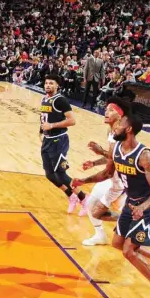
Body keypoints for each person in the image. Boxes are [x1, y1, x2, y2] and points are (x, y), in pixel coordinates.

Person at [72, 113, 150, 298]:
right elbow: (106, 173)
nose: (115, 127)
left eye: (120, 123)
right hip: (132, 203)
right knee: (117, 243)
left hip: (148, 206)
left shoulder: (144, 155)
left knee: (129, 251)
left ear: (129, 129)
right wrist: (83, 181)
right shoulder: (115, 148)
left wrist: (142, 207)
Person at [80, 97, 130, 246]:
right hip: (111, 175)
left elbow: (120, 158)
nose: (106, 111)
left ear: (120, 115)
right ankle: (101, 235)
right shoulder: (111, 130)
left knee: (95, 209)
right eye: (106, 109)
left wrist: (101, 151)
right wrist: (94, 162)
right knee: (90, 205)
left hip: (120, 179)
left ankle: (128, 220)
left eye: (111, 110)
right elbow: (111, 156)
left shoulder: (124, 133)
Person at [39, 74, 88, 214]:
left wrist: (52, 125)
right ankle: (71, 196)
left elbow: (72, 121)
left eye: (51, 83)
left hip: (59, 140)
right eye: (46, 83)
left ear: (57, 86)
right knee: (49, 174)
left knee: (61, 174)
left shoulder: (60, 100)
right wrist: (41, 131)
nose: (48, 85)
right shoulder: (44, 99)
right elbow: (45, 118)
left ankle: (84, 199)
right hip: (48, 140)